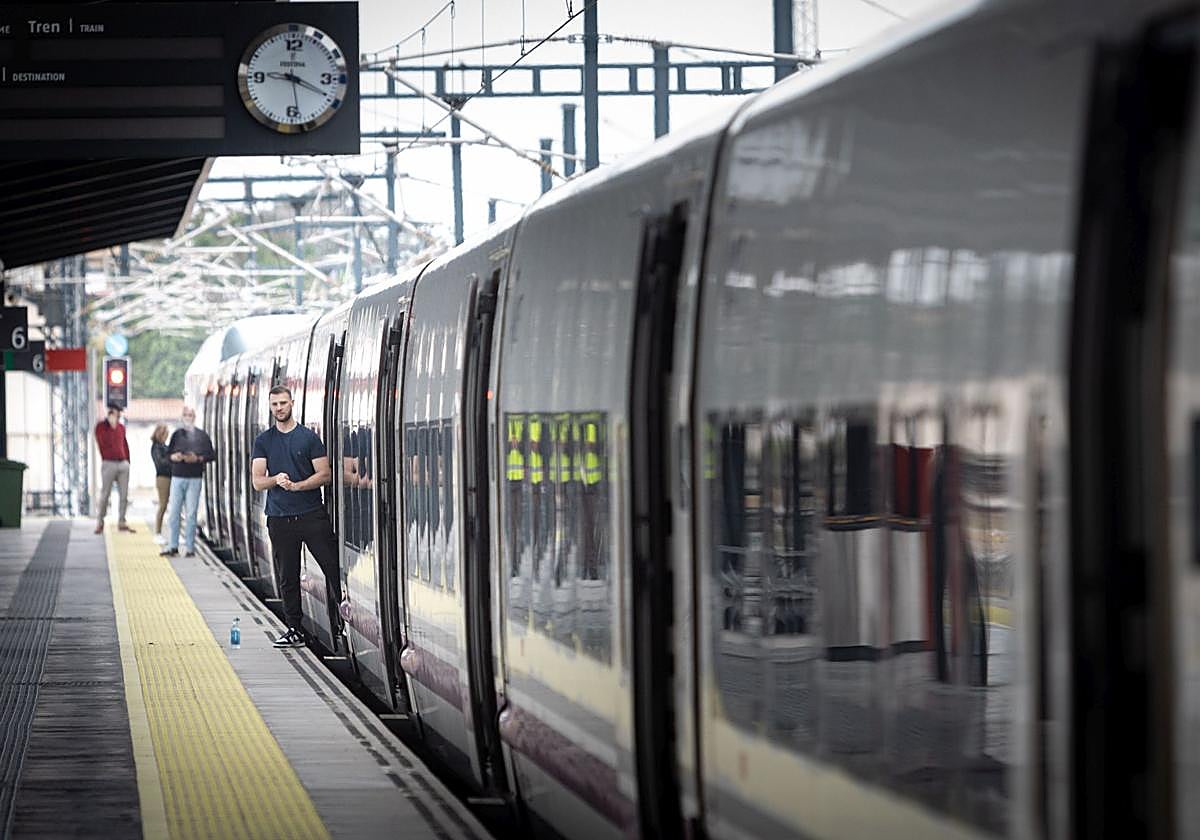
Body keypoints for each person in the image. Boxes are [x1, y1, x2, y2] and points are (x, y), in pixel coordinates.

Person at [251, 385, 342, 649]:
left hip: (311, 515)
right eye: (274, 405)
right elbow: (257, 481)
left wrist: (298, 486)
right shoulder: (263, 441)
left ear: (292, 403)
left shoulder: (309, 438)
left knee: (332, 566)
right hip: (279, 519)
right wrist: (275, 480)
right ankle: (294, 628)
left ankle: (346, 621)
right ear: (270, 408)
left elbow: (325, 474)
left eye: (282, 403)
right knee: (287, 576)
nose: (279, 408)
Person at [160, 406, 215, 558]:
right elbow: (167, 455)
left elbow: (211, 455)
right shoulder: (177, 435)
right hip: (177, 477)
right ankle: (173, 546)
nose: (188, 417)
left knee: (191, 514)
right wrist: (174, 457)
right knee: (174, 513)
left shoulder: (202, 436)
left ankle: (190, 548)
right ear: (182, 416)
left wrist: (197, 458)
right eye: (186, 414)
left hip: (195, 478)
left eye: (190, 415)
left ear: (194, 417)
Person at [94, 402, 134, 535]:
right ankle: (100, 521)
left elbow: (125, 445)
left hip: (122, 463)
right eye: (116, 412)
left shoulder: (121, 427)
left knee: (124, 494)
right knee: (105, 494)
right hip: (109, 463)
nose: (118, 415)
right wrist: (111, 426)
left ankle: (122, 521)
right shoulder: (101, 427)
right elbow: (103, 443)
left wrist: (128, 462)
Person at [150, 423, 171, 543]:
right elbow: (161, 462)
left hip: (167, 477)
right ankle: (157, 532)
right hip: (163, 478)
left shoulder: (163, 446)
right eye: (165, 434)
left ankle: (159, 532)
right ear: (160, 434)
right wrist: (172, 458)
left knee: (165, 505)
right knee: (163, 506)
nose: (166, 437)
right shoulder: (157, 448)